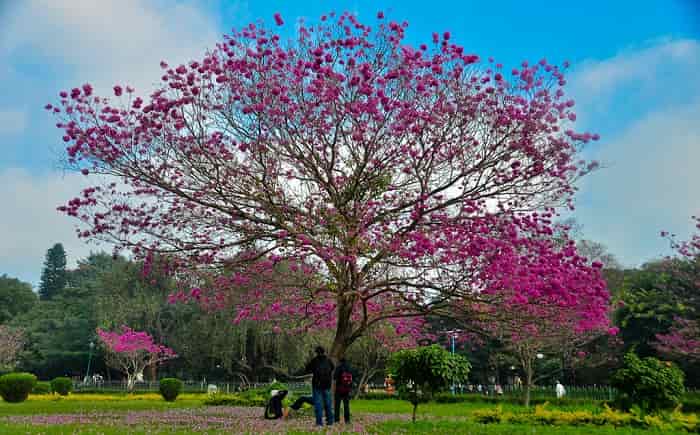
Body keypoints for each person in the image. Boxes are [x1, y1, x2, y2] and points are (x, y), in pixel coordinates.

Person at [305, 346, 334, 426]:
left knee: (318, 404)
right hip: (327, 385)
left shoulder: (314, 361)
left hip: (317, 385)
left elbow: (307, 368)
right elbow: (332, 368)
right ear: (324, 352)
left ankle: (319, 423)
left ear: (316, 352)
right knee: (328, 403)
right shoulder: (328, 360)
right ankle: (330, 421)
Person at [334, 358, 353, 424]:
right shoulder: (349, 368)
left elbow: (334, 377)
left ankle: (337, 420)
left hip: (339, 389)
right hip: (346, 390)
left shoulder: (338, 367)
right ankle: (347, 420)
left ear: (340, 362)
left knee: (337, 405)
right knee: (346, 405)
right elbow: (351, 379)